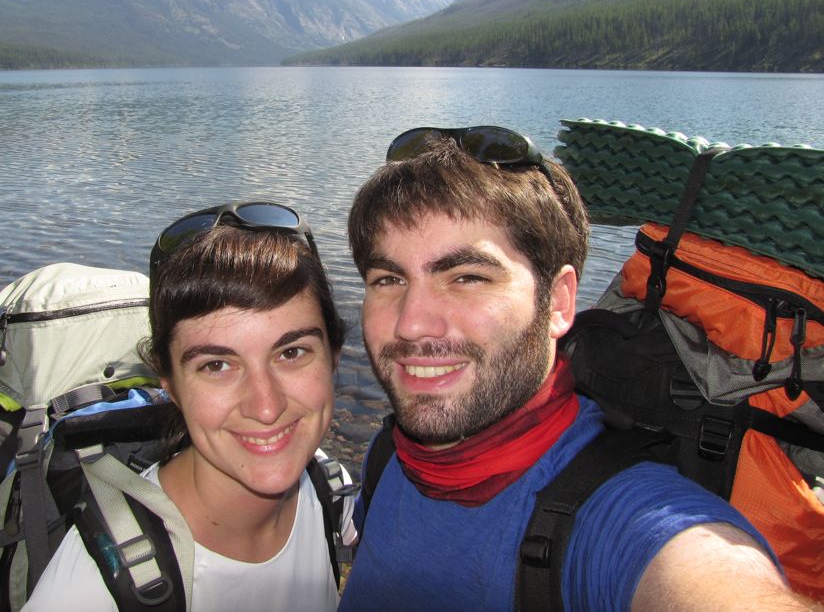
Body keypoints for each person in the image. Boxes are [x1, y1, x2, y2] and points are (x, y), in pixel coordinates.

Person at [337, 127, 818, 611]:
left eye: (467, 277)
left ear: (559, 303)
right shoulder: (388, 456)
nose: (411, 322)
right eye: (389, 278)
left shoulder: (620, 517)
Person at [24, 201, 356, 612]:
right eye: (217, 365)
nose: (265, 407)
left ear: (333, 357)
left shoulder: (329, 491)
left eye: (291, 352)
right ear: (170, 385)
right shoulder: (89, 592)